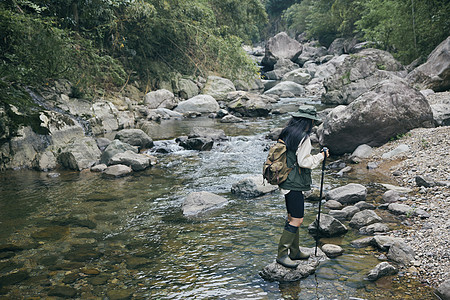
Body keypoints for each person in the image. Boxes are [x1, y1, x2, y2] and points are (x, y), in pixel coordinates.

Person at [275, 105, 329, 268]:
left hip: (284, 179)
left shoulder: (287, 132)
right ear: (308, 121)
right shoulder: (303, 137)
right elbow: (304, 162)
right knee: (297, 219)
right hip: (295, 183)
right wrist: (321, 156)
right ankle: (282, 255)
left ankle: (295, 251)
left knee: (292, 216)